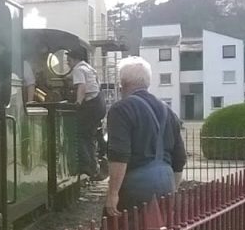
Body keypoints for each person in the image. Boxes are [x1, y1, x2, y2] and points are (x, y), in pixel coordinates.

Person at [104, 56, 187, 217]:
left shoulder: (121, 109)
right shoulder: (168, 112)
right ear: (147, 82)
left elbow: (119, 155)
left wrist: (113, 193)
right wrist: (172, 190)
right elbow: (180, 158)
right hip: (166, 182)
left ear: (123, 84)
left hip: (136, 186)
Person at [68, 49, 105, 179]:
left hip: (91, 104)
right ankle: (94, 168)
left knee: (80, 134)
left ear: (73, 59)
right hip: (99, 102)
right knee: (90, 136)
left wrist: (78, 102)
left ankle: (86, 166)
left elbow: (82, 86)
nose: (68, 63)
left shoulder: (78, 69)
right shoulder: (89, 67)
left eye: (68, 60)